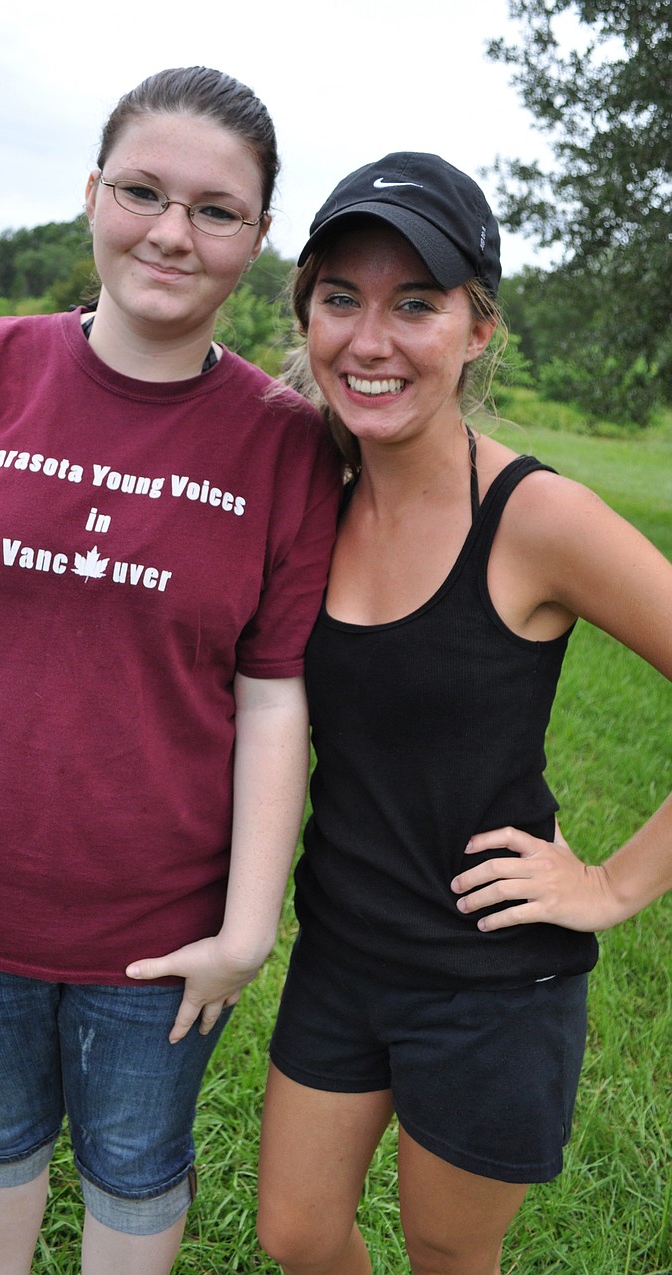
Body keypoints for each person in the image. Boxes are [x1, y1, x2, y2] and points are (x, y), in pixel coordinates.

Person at [0, 66, 340, 1275]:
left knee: (135, 1157)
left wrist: (246, 928)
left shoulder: (283, 442)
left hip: (162, 928)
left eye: (215, 209)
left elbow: (275, 697)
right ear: (91, 195)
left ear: (259, 237)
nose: (171, 231)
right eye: (142, 191)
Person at [256, 151, 672, 1275]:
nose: (370, 341)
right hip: (341, 947)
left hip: (491, 981)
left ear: (478, 328)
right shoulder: (311, 493)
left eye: (416, 305)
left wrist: (614, 884)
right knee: (295, 1232)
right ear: (305, 312)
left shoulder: (536, 517)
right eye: (340, 299)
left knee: (446, 1256)